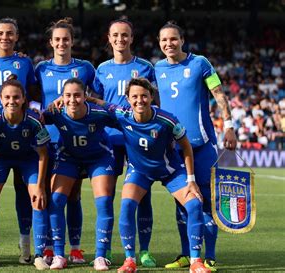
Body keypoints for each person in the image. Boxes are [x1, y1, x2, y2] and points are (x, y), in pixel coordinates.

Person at [89, 78, 211, 273]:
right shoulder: (123, 114)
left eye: (144, 96)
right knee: (127, 204)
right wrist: (87, 99)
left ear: (151, 97)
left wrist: (191, 180)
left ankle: (196, 261)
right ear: (127, 99)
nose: (140, 100)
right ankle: (130, 260)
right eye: (134, 96)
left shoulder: (167, 120)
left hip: (170, 171)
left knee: (195, 204)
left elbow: (186, 147)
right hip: (140, 171)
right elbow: (105, 104)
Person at [154, 21, 237, 271]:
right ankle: (187, 254)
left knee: (205, 201)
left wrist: (229, 125)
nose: (169, 44)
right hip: (173, 148)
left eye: (173, 39)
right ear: (160, 43)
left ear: (182, 40)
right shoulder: (157, 68)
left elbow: (220, 94)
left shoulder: (200, 63)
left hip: (201, 146)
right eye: (164, 40)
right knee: (182, 202)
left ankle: (209, 255)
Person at [92, 18, 157, 267]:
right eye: (115, 35)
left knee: (143, 195)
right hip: (109, 139)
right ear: (109, 39)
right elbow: (96, 101)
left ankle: (144, 251)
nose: (120, 39)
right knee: (105, 196)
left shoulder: (145, 68)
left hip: (137, 140)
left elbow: (154, 103)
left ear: (132, 38)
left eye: (125, 35)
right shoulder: (101, 69)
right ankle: (104, 250)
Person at [35, 17, 95, 265]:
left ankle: (76, 248)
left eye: (66, 39)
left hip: (75, 140)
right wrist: (43, 109)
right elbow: (32, 100)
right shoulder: (40, 69)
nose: (61, 43)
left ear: (72, 41)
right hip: (48, 140)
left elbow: (94, 98)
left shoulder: (85, 68)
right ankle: (49, 247)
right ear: (51, 42)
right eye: (57, 39)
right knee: (50, 194)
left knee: (74, 195)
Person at [0, 17, 37, 264]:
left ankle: (26, 249)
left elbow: (33, 94)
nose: (5, 37)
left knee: (26, 196)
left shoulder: (25, 62)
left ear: (17, 36)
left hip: (22, 137)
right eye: (1, 33)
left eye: (10, 33)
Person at [0, 76, 51, 270]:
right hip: (1, 160)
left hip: (28, 160)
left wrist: (41, 186)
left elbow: (43, 154)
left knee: (38, 199)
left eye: (16, 97)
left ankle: (38, 254)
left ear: (24, 98)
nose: (12, 101)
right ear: (0, 99)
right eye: (7, 97)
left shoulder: (34, 121)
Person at [43, 78, 117, 271]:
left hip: (99, 158)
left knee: (103, 201)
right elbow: (35, 118)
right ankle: (59, 254)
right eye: (68, 95)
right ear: (62, 97)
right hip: (68, 157)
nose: (73, 100)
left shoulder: (99, 114)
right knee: (56, 200)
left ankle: (101, 256)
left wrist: (101, 102)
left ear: (85, 96)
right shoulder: (56, 112)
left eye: (77, 95)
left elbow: (124, 117)